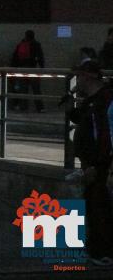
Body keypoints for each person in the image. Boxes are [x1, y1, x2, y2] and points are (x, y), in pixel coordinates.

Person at [66, 60, 113, 265]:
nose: (77, 82)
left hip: (101, 164)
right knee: (94, 204)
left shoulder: (104, 100)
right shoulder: (92, 100)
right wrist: (71, 109)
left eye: (79, 77)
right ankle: (97, 249)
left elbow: (104, 135)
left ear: (88, 77)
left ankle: (104, 252)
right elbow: (86, 124)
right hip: (92, 163)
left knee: (100, 205)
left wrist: (97, 164)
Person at [10, 29, 45, 112]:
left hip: (22, 69)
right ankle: (40, 108)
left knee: (23, 90)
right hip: (33, 69)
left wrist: (13, 69)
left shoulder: (20, 45)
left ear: (25, 36)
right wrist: (42, 67)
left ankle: (23, 107)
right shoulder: (36, 45)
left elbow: (15, 58)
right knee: (36, 90)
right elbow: (40, 57)